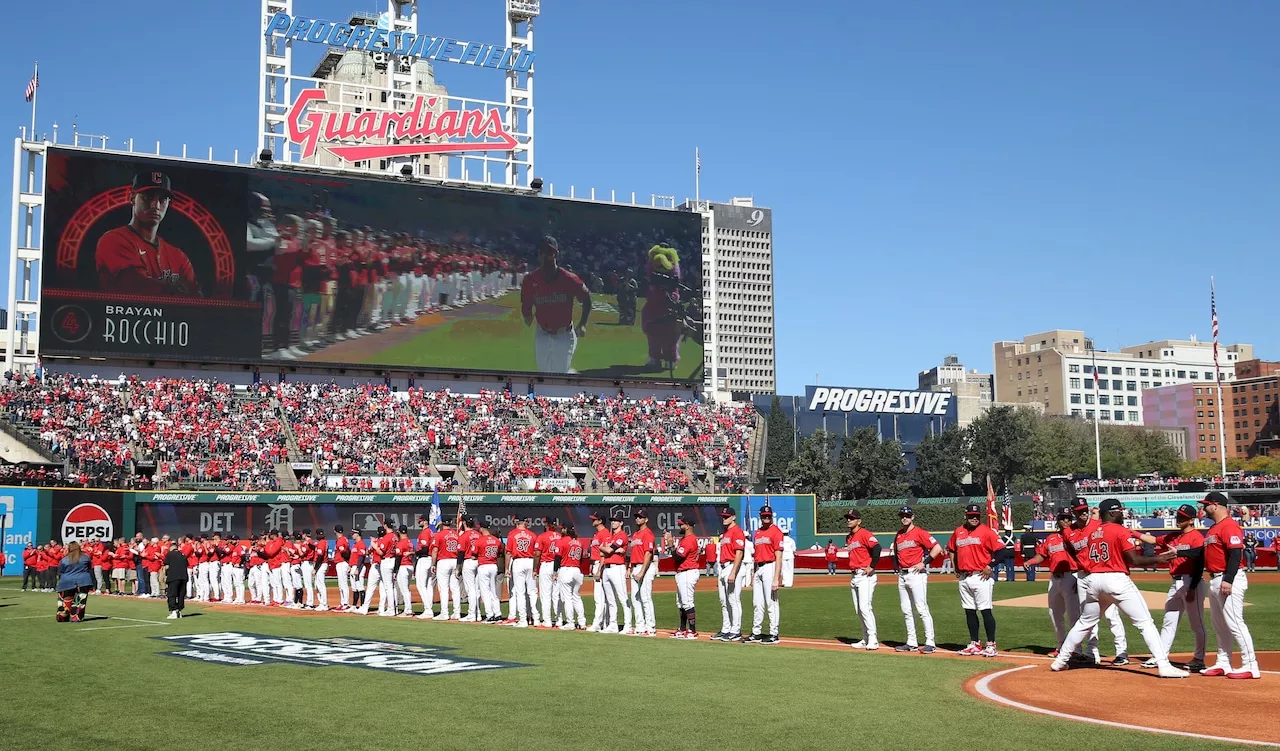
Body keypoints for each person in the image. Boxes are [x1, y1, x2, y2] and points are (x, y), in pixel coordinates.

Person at [1049, 498, 1188, 678]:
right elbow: (1134, 560)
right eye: (1120, 511)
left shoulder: (1093, 533)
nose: (1123, 514)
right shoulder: (1120, 530)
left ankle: (1060, 661)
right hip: (1115, 579)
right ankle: (1164, 665)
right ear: (1113, 512)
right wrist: (1160, 559)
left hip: (1093, 580)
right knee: (1145, 622)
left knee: (1084, 623)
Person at [95, 171, 200, 296]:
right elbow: (136, 285)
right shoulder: (112, 240)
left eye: (162, 200)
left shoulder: (178, 256)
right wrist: (176, 292)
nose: (155, 205)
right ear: (132, 198)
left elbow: (197, 299)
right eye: (148, 197)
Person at [1199, 491, 1259, 679]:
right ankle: (1223, 662)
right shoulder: (1214, 528)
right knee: (1220, 625)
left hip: (1227, 578)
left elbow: (1235, 554)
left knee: (1235, 623)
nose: (1203, 508)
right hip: (1215, 579)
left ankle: (1251, 665)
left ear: (1215, 505)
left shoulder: (1229, 526)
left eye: (1206, 505)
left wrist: (1229, 579)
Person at [1141, 504, 1207, 672]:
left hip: (1191, 581)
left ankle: (1199, 658)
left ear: (1191, 520)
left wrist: (1192, 587)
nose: (1179, 519)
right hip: (1175, 582)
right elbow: (1152, 540)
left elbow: (1200, 563)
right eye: (1178, 516)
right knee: (1169, 621)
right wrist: (1130, 533)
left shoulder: (1196, 537)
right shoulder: (1172, 537)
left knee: (1196, 623)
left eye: (1183, 517)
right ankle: (1160, 656)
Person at [1062, 500, 1128, 665]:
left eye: (1085, 510)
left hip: (1102, 574)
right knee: (1087, 616)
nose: (1083, 513)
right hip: (1083, 576)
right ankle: (1092, 653)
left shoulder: (1099, 525)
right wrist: (1078, 567)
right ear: (1073, 512)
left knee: (1112, 614)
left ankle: (1122, 652)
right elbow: (1070, 550)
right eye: (1079, 511)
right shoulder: (1068, 531)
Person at [519, 235, 591, 374]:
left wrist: (582, 323)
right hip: (542, 333)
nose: (545, 256)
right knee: (543, 374)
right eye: (542, 252)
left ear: (556, 254)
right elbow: (526, 301)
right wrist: (527, 314)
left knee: (559, 375)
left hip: (564, 335)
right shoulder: (531, 279)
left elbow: (586, 297)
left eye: (549, 253)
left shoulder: (568, 279)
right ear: (538, 255)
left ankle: (569, 376)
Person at [949, 503, 1005, 657]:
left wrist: (990, 565)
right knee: (969, 611)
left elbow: (1002, 551)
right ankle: (975, 643)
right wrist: (954, 566)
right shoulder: (958, 532)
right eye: (971, 516)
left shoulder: (987, 532)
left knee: (986, 611)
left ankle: (991, 644)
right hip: (964, 577)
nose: (974, 518)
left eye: (976, 516)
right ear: (966, 515)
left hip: (981, 576)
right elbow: (952, 549)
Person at [1023, 510, 1080, 658]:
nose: (1066, 521)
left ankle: (1076, 649)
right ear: (1058, 521)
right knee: (1055, 615)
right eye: (1063, 518)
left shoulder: (1076, 537)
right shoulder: (1051, 538)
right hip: (1055, 578)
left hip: (1071, 576)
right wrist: (1030, 561)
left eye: (1068, 519)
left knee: (1074, 616)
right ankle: (1061, 646)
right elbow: (1042, 555)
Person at [891, 506, 944, 654]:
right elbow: (896, 553)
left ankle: (930, 642)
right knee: (906, 610)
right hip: (903, 575)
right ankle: (912, 642)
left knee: (921, 608)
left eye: (907, 515)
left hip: (916, 574)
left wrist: (924, 563)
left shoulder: (920, 532)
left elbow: (937, 548)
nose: (904, 518)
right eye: (902, 515)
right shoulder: (899, 535)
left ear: (912, 517)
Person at [745, 505, 784, 644]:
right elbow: (756, 554)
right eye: (763, 515)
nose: (766, 517)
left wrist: (776, 578)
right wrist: (753, 573)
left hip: (770, 566)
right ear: (760, 516)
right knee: (757, 603)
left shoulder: (776, 532)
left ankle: (774, 633)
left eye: (768, 515)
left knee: (771, 602)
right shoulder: (757, 533)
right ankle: (756, 632)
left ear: (772, 516)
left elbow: (779, 556)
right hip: (759, 568)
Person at [844, 510, 881, 651]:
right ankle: (865, 638)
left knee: (865, 607)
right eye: (848, 518)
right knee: (859, 609)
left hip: (865, 575)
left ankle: (873, 639)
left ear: (859, 521)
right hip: (854, 575)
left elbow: (877, 548)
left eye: (852, 518)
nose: (849, 520)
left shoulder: (865, 534)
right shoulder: (848, 537)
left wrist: (871, 566)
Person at [712, 507, 748, 642]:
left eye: (727, 516)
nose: (724, 518)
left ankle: (736, 630)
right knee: (723, 600)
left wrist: (733, 572)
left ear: (733, 517)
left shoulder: (737, 531)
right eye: (723, 516)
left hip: (732, 566)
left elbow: (739, 553)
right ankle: (726, 629)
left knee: (734, 599)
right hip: (723, 567)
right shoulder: (726, 533)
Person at [666, 517, 701, 639]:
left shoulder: (689, 540)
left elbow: (678, 557)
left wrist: (671, 545)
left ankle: (692, 630)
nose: (679, 527)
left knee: (687, 602)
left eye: (681, 525)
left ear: (687, 526)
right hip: (683, 572)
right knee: (681, 603)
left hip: (688, 572)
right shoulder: (685, 539)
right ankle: (682, 629)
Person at [597, 515, 632, 634]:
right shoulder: (610, 536)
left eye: (616, 521)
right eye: (612, 521)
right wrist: (611, 550)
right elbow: (604, 552)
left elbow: (607, 550)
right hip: (607, 568)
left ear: (621, 523)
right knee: (610, 599)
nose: (613, 523)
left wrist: (604, 548)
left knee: (623, 597)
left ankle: (628, 625)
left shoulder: (622, 535)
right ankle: (613, 625)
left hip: (617, 568)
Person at [628, 509, 657, 637]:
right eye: (637, 517)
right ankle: (640, 625)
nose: (638, 519)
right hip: (635, 566)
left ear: (646, 519)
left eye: (641, 517)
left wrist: (642, 571)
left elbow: (648, 553)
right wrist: (630, 568)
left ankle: (650, 627)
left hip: (645, 567)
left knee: (645, 598)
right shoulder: (635, 535)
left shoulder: (648, 534)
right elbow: (633, 553)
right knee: (635, 598)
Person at [506, 517, 538, 627]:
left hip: (518, 562)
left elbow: (508, 553)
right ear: (526, 522)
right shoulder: (533, 535)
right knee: (532, 592)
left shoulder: (512, 534)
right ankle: (536, 618)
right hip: (530, 561)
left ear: (516, 522)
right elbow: (536, 553)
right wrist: (535, 568)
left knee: (520, 592)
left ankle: (523, 619)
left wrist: (507, 568)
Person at [554, 524, 587, 630]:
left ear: (565, 530)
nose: (561, 530)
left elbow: (558, 558)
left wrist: (555, 572)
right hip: (577, 570)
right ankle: (582, 622)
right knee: (576, 597)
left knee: (567, 598)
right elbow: (582, 559)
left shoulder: (562, 541)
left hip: (566, 569)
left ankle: (570, 623)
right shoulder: (579, 542)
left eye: (563, 528)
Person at [586, 513, 613, 632]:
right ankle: (604, 623)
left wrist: (599, 568)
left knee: (600, 597)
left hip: (601, 565)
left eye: (594, 519)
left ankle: (597, 623)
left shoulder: (605, 533)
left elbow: (605, 554)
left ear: (600, 521)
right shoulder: (597, 534)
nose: (592, 521)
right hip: (596, 564)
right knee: (602, 597)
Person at [55, 542, 95, 623]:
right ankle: (76, 617)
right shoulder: (86, 558)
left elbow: (60, 571)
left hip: (66, 581)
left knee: (65, 600)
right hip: (83, 581)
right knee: (80, 600)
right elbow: (89, 568)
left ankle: (62, 616)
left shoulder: (64, 559)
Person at [534, 517, 562, 628]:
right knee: (556, 595)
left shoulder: (542, 536)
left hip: (546, 565)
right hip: (558, 566)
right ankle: (559, 620)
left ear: (546, 524)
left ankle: (547, 621)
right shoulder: (560, 536)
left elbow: (537, 554)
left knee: (545, 595)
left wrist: (535, 568)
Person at [432, 518, 461, 621]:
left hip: (443, 561)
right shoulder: (456, 534)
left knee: (443, 588)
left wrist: (433, 564)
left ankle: (444, 613)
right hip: (454, 560)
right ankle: (457, 612)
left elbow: (435, 550)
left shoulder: (439, 534)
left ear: (442, 524)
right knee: (455, 588)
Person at [475, 521, 503, 623]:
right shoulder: (496, 540)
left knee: (485, 592)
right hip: (493, 566)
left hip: (484, 566)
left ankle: (490, 615)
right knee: (493, 591)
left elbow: (474, 554)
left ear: (481, 528)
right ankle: (498, 614)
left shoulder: (479, 540)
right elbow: (500, 552)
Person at [413, 522, 435, 620]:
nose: (419, 522)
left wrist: (414, 552)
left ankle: (428, 610)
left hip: (424, 559)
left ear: (425, 521)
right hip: (430, 559)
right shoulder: (431, 532)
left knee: (420, 585)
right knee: (429, 585)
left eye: (420, 521)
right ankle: (429, 608)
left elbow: (425, 549)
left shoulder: (425, 532)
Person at [165, 542, 190, 620]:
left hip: (174, 577)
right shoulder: (183, 555)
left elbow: (166, 565)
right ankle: (179, 611)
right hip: (183, 577)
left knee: (172, 594)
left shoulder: (170, 554)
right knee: (180, 595)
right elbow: (186, 564)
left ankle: (173, 612)